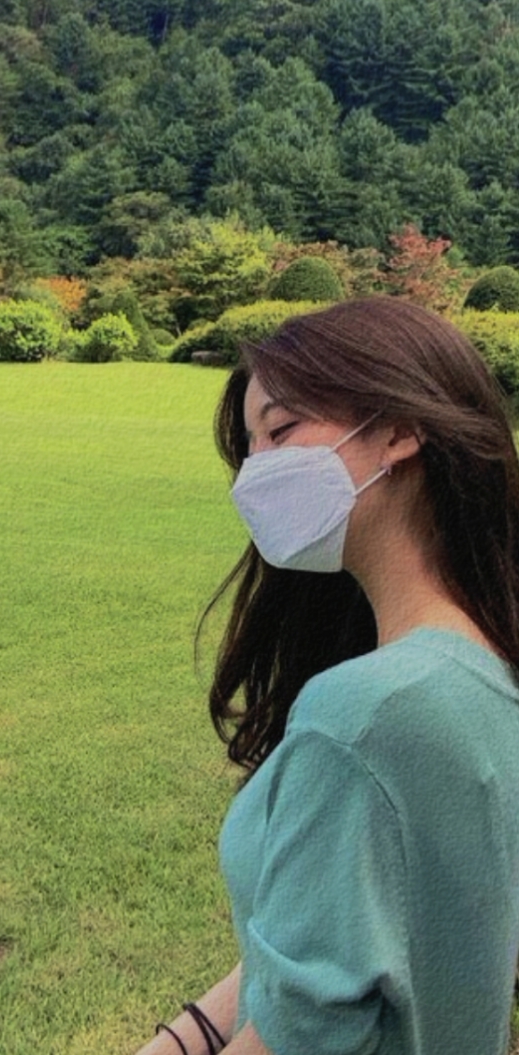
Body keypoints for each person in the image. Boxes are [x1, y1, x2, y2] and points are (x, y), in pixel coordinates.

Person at [135, 296, 519, 1055]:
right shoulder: (488, 672)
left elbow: (306, 1032)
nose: (255, 472)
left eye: (280, 431)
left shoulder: (365, 716)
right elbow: (332, 950)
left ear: (399, 430)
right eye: (249, 447)